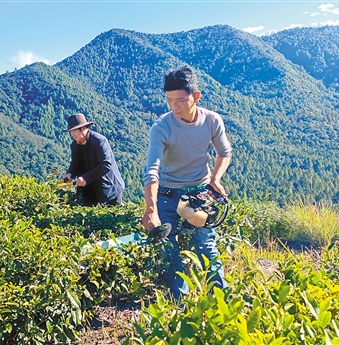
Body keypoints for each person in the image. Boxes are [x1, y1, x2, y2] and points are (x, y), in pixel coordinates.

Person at [141, 65, 233, 300]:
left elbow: (224, 152)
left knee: (206, 245)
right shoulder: (161, 127)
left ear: (196, 96)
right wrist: (151, 210)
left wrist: (216, 179)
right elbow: (152, 170)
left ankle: (220, 300)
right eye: (169, 100)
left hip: (199, 192)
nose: (174, 106)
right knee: (168, 248)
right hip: (168, 194)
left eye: (180, 100)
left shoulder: (212, 120)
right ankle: (178, 303)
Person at [63, 113, 125, 206]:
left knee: (114, 218)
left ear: (83, 128)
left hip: (110, 188)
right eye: (71, 131)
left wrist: (85, 178)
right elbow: (75, 164)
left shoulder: (99, 141)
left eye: (74, 131)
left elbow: (106, 165)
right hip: (90, 190)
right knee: (85, 216)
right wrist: (70, 173)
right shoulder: (74, 145)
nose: (72, 134)